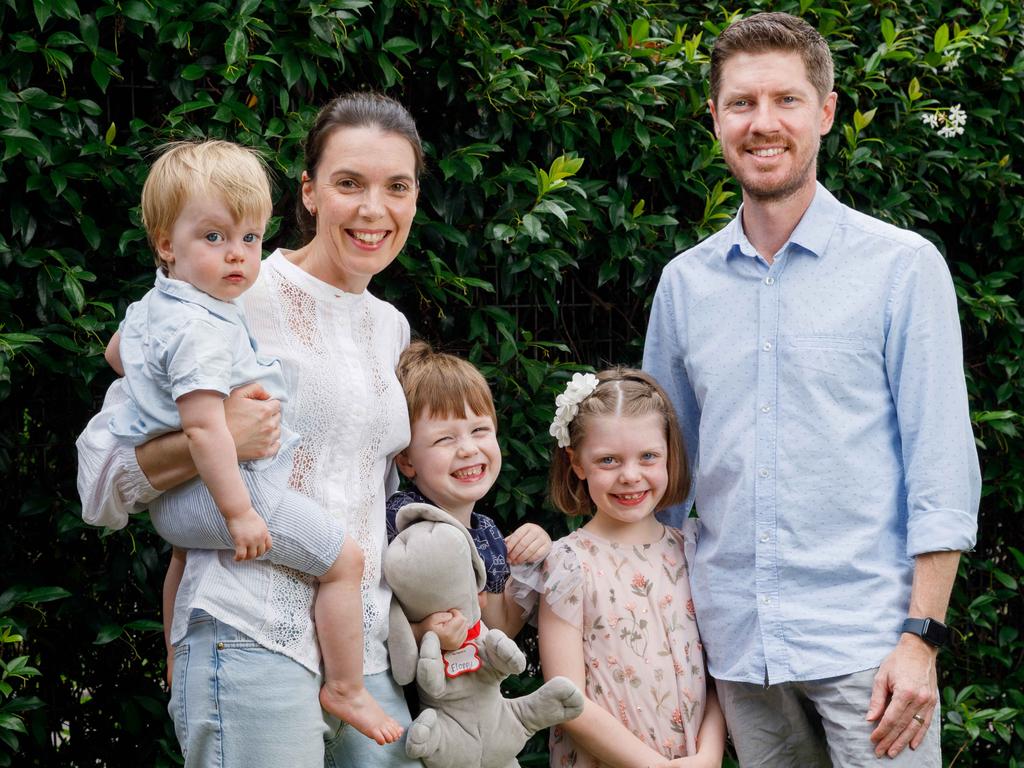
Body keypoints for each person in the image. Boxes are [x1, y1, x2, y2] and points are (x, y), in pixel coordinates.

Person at [643, 12, 980, 767]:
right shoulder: (684, 285)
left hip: (871, 650)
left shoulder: (902, 268)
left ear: (826, 113)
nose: (764, 124)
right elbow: (662, 477)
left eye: (786, 101)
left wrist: (922, 640)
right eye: (742, 103)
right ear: (715, 118)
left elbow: (942, 467)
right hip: (735, 650)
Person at [76, 92, 426, 768]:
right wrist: (215, 438)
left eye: (397, 187)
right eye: (349, 182)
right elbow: (107, 483)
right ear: (310, 192)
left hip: (361, 647)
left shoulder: (390, 326)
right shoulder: (231, 292)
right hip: (250, 632)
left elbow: (364, 488)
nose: (373, 208)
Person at [537, 369, 726, 768]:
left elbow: (717, 673)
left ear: (669, 456)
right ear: (577, 463)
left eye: (648, 457)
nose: (630, 475)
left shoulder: (691, 550)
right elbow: (565, 694)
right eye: (608, 460)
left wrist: (708, 757)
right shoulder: (569, 563)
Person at [385, 339, 550, 642]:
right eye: (444, 439)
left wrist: (532, 558)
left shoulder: (487, 534)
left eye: (479, 430)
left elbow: (500, 628)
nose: (468, 449)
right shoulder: (401, 520)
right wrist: (421, 632)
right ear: (407, 460)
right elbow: (372, 610)